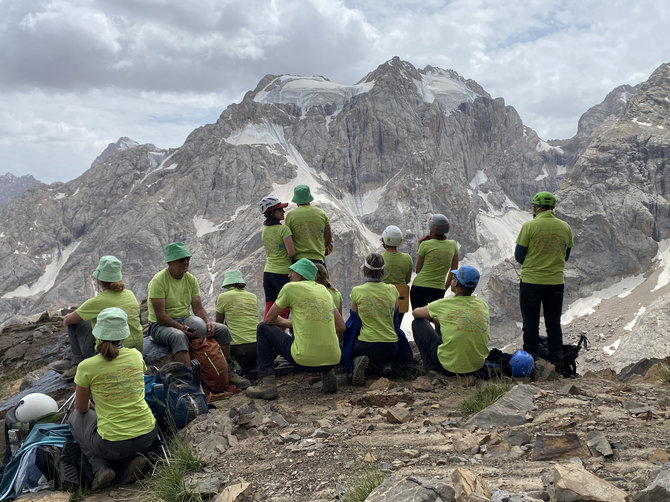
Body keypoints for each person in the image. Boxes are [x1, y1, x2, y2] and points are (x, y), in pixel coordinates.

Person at [68, 308, 157, 490]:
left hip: (112, 444)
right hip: (148, 435)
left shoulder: (87, 366)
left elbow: (82, 408)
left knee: (75, 418)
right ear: (123, 334)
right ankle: (131, 461)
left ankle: (99, 468)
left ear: (98, 333)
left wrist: (96, 406)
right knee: (124, 432)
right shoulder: (135, 355)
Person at [147, 242, 250, 389]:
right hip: (160, 325)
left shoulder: (190, 279)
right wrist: (181, 328)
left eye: (187, 259)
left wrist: (207, 322)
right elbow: (160, 315)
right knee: (178, 336)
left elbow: (198, 307)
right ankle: (191, 381)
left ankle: (229, 372)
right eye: (181, 260)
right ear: (170, 262)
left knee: (222, 330)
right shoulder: (158, 281)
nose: (186, 263)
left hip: (185, 318)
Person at [245, 258, 345, 400]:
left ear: (301, 274)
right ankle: (328, 373)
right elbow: (341, 326)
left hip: (304, 360)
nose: (289, 275)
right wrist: (301, 323)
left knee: (263, 328)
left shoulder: (290, 288)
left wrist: (283, 321)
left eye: (292, 272)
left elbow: (269, 319)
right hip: (334, 358)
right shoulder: (324, 290)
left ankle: (267, 385)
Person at [57, 256, 143, 381]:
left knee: (75, 324)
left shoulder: (98, 301)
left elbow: (67, 321)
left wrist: (70, 316)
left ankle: (76, 364)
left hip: (110, 351)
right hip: (136, 349)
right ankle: (72, 360)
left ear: (100, 280)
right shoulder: (130, 294)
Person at [514, 191, 574, 366]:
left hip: (531, 281)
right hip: (555, 282)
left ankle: (531, 359)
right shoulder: (565, 227)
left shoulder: (529, 226)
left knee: (530, 322)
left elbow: (519, 256)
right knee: (553, 322)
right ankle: (557, 360)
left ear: (536, 207)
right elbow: (566, 255)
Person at [412, 265, 490, 376]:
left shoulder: (444, 304)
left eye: (454, 277)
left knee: (418, 323)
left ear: (456, 283)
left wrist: (432, 319)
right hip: (477, 366)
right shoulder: (482, 304)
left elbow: (416, 313)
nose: (452, 279)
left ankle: (431, 367)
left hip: (448, 368)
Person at [349, 253, 400, 386]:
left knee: (347, 348)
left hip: (366, 345)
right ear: (383, 271)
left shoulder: (357, 291)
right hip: (391, 346)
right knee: (383, 354)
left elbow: (354, 320)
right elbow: (395, 316)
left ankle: (357, 361)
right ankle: (385, 366)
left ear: (364, 270)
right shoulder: (392, 290)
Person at [215, 269, 259, 378]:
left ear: (228, 284)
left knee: (218, 334)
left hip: (238, 348)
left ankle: (229, 373)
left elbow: (219, 324)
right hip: (258, 346)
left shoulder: (223, 297)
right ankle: (250, 370)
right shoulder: (253, 296)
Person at [410, 214, 459, 309]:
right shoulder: (453, 245)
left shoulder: (424, 245)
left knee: (419, 319)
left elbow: (418, 270)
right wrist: (444, 288)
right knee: (436, 320)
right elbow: (454, 270)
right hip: (438, 289)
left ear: (431, 228)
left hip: (419, 287)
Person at [259, 195, 295, 317]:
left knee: (269, 305)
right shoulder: (283, 229)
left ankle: (266, 333)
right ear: (272, 212)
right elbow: (291, 253)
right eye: (280, 209)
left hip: (268, 273)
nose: (283, 211)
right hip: (283, 273)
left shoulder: (265, 230)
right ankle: (277, 334)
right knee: (283, 308)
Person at [285, 185, 333, 264]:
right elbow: (328, 238)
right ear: (309, 197)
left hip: (299, 262)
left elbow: (287, 239)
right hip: (318, 259)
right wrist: (319, 248)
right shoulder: (322, 213)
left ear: (296, 200)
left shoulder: (291, 216)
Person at [380, 225, 413, 324]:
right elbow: (407, 280)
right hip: (401, 298)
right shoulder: (407, 258)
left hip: (383, 298)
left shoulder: (380, 258)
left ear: (384, 240)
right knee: (396, 326)